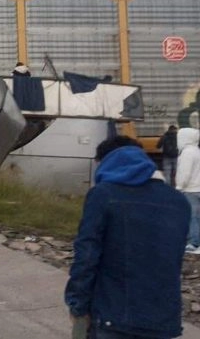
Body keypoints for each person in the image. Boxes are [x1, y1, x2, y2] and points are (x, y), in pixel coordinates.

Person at [65, 136, 189, 339]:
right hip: (163, 320)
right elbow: (173, 260)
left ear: (107, 162)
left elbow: (86, 256)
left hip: (113, 317)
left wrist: (77, 305)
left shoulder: (103, 195)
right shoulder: (178, 201)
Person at [176, 127, 200, 253]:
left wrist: (179, 186)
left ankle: (193, 242)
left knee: (192, 216)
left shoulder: (187, 153)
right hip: (198, 187)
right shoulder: (196, 151)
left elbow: (185, 172)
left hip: (190, 188)